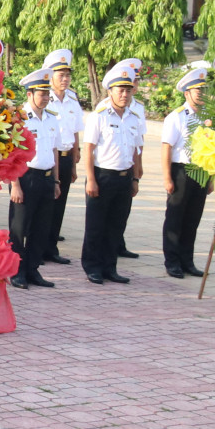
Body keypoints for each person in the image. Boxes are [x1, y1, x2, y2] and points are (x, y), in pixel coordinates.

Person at [81, 60, 145, 286]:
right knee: (96, 225)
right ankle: (92, 267)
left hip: (124, 177)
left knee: (116, 226)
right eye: (121, 90)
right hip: (102, 176)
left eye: (128, 90)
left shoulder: (134, 118)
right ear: (110, 91)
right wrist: (91, 179)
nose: (125, 95)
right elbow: (88, 149)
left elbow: (137, 149)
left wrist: (135, 178)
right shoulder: (99, 116)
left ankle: (110, 268)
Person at [6, 73, 61, 289]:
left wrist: (56, 181)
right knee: (19, 229)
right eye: (42, 93)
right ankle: (16, 271)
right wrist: (15, 185)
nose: (46, 97)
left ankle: (32, 269)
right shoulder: (19, 118)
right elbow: (11, 153)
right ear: (29, 94)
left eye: (48, 94)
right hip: (26, 178)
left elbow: (54, 150)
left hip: (46, 178)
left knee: (41, 228)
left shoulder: (52, 118)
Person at [158, 67, 211, 280]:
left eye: (204, 90)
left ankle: (187, 260)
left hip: (201, 172)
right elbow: (166, 148)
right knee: (175, 218)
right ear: (186, 93)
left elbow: (212, 148)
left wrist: (211, 177)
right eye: (198, 91)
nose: (202, 94)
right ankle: (172, 262)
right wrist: (167, 177)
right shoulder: (176, 117)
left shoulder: (208, 116)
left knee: (192, 220)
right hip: (181, 172)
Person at [40, 50, 84, 265]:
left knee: (60, 203)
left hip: (66, 158)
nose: (65, 79)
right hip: (48, 158)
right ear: (51, 75)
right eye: (61, 75)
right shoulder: (43, 99)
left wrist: (75, 159)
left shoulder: (72, 100)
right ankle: (39, 247)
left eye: (68, 75)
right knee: (46, 204)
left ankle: (51, 247)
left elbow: (75, 131)